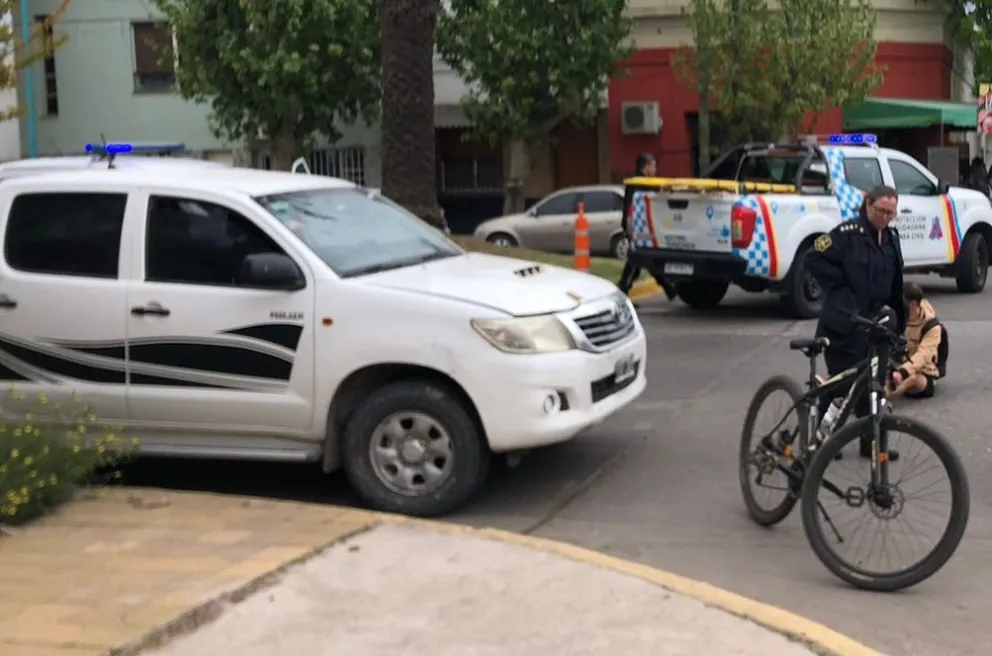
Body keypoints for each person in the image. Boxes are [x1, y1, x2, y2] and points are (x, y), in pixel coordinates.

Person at [806, 184, 905, 459]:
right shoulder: (846, 234)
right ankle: (819, 439)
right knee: (843, 385)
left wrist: (899, 325)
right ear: (867, 205)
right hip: (844, 324)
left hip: (877, 325)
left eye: (891, 213)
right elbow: (814, 257)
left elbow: (896, 283)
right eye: (881, 211)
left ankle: (871, 441)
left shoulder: (892, 238)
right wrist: (840, 287)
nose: (886, 217)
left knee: (875, 385)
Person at [618, 153, 677, 303]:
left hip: (645, 227)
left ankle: (668, 288)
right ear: (645, 167)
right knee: (635, 263)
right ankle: (621, 296)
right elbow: (631, 209)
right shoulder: (637, 184)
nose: (655, 169)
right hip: (635, 227)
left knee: (649, 258)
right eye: (653, 166)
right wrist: (630, 229)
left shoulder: (646, 183)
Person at [887, 282, 942, 400]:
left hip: (921, 370)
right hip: (895, 364)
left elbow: (923, 355)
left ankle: (891, 394)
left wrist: (903, 372)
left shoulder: (931, 326)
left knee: (915, 380)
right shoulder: (896, 316)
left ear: (912, 304)